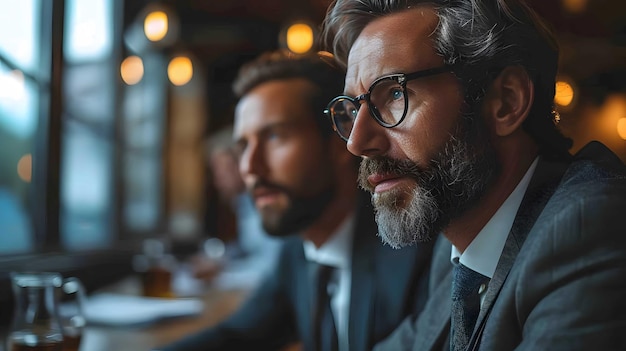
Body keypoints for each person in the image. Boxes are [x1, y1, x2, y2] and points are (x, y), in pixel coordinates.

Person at [320, 0, 626, 350]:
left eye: (393, 94)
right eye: (352, 109)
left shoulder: (589, 228)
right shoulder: (457, 246)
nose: (357, 143)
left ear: (506, 102)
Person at [156, 50, 434, 351]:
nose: (249, 167)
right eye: (243, 146)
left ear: (341, 140)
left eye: (275, 136)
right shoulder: (298, 252)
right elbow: (237, 336)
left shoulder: (413, 247)